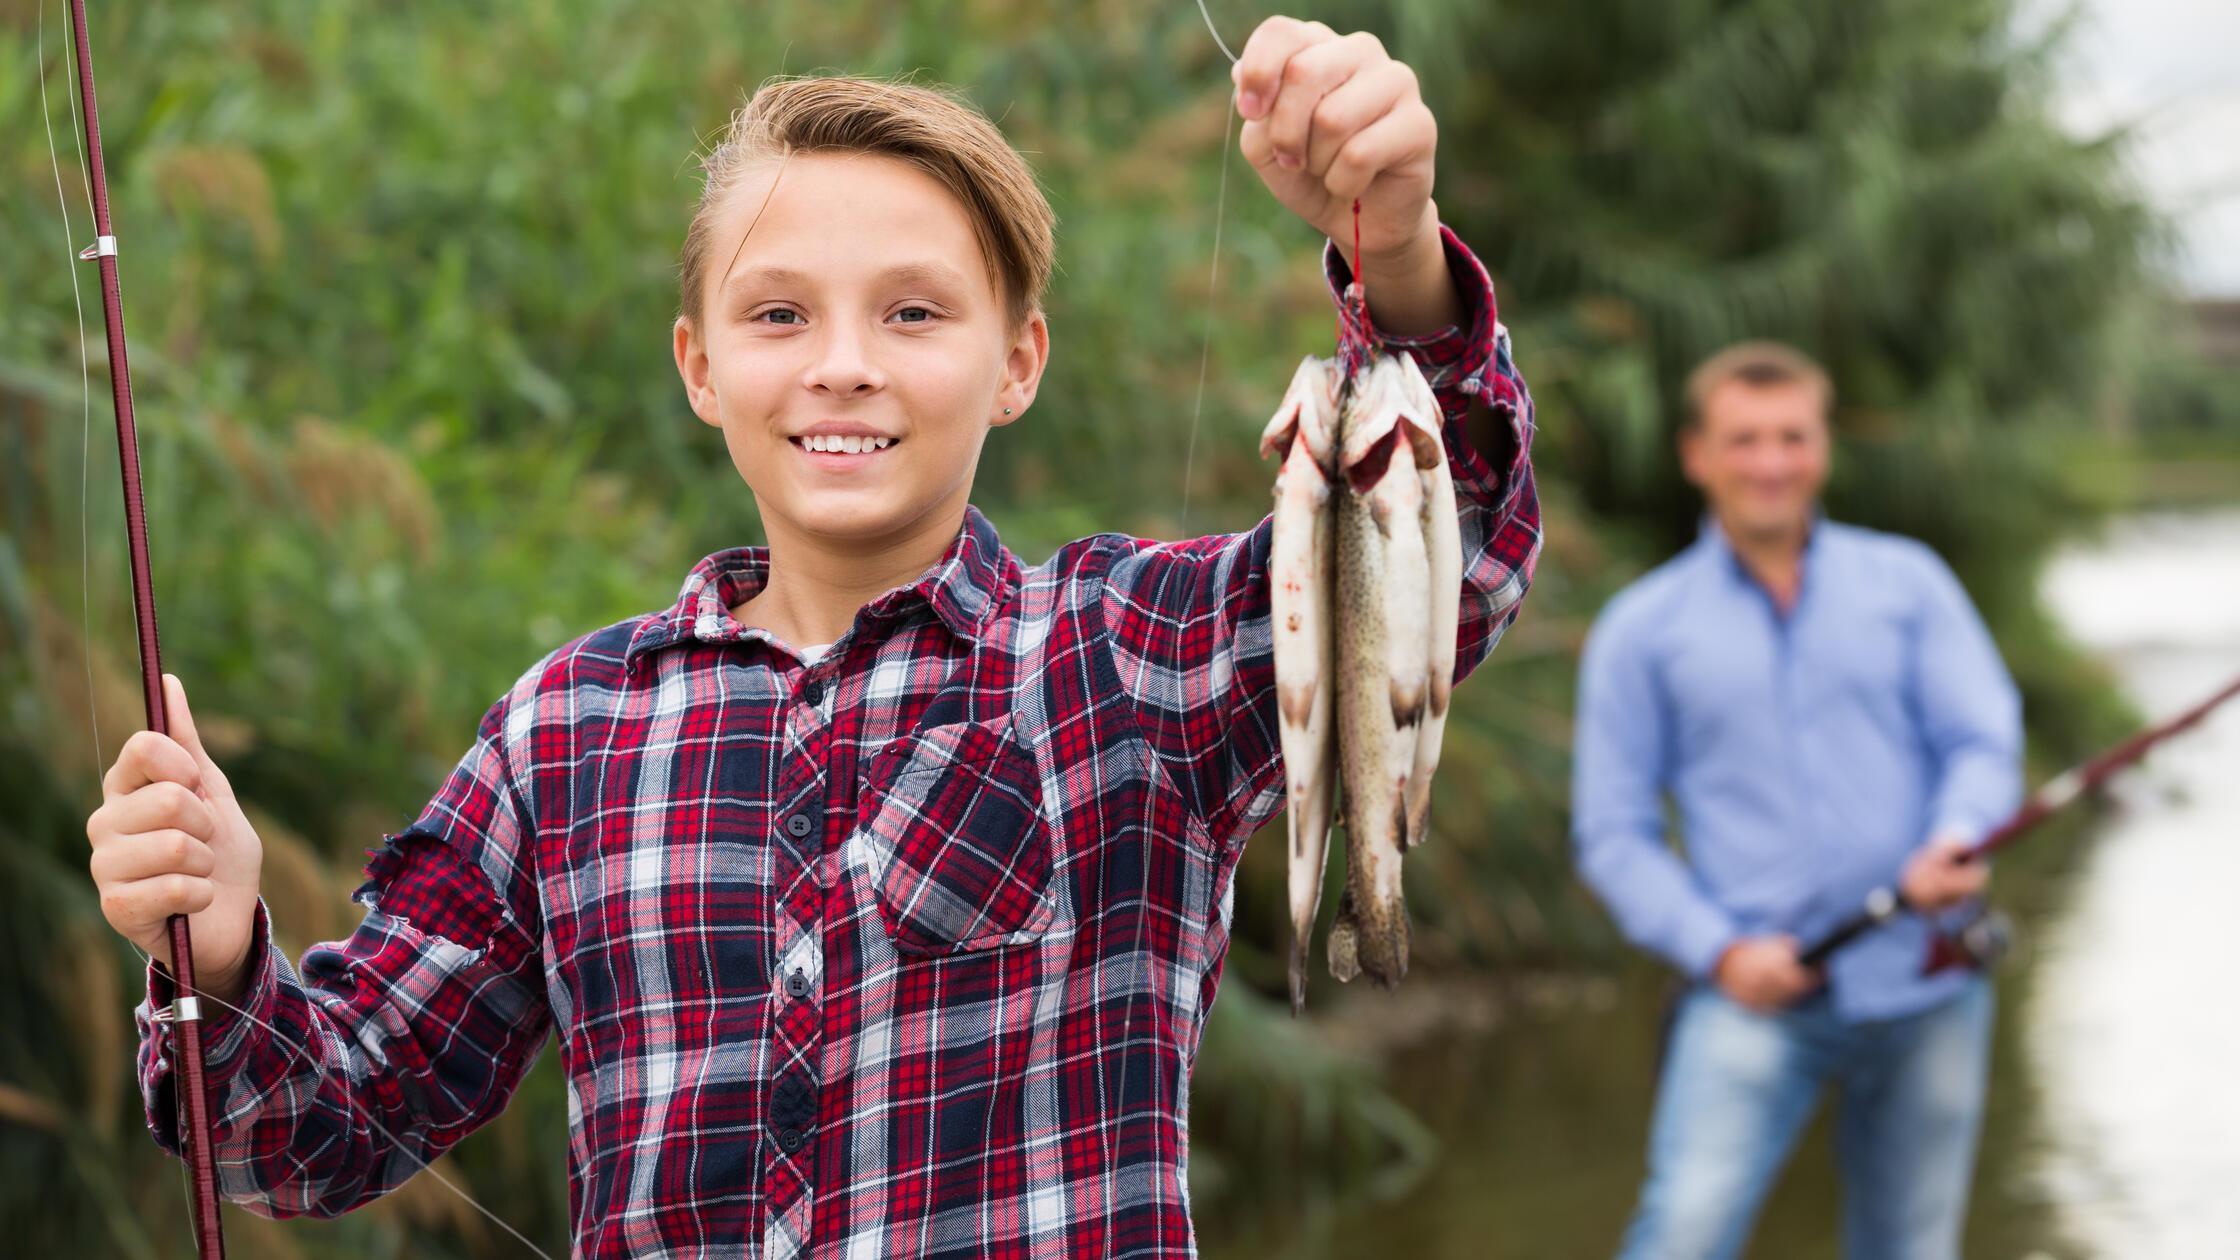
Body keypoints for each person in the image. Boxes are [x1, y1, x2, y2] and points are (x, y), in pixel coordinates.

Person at [83, 20, 1542, 1256]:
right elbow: (312, 1134)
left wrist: (1395, 249)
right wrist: (216, 955)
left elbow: (1439, 559)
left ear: (1016, 360)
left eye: (915, 312)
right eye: (779, 314)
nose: (843, 361)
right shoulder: (564, 731)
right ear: (701, 367)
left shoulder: (1126, 660)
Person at [1571, 342, 2021, 1260]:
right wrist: (1721, 951)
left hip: (1926, 982)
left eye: (1792, 438)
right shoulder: (1641, 631)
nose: (1771, 463)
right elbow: (1612, 835)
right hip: (1751, 995)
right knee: (1683, 1232)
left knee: (1912, 1246)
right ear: (1698, 454)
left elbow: (1980, 740)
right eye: (1745, 440)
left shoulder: (1911, 585)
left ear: (1822, 448)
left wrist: (1956, 834)